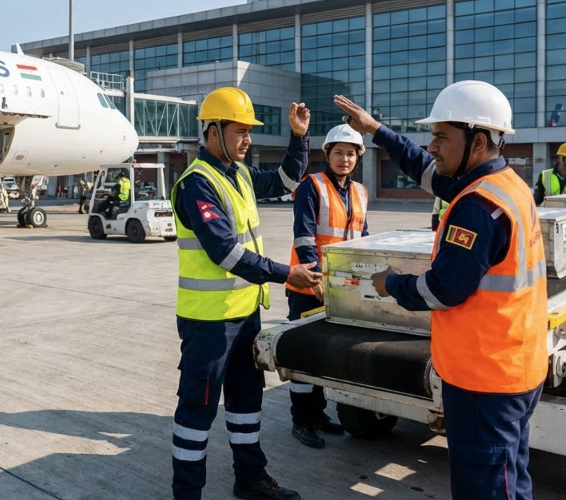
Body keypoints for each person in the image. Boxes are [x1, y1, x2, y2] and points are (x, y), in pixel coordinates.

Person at [335, 81, 547, 500]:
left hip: (484, 381)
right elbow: (423, 167)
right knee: (510, 478)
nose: (431, 146)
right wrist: (376, 129)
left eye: (441, 137)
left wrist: (391, 282)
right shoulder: (505, 184)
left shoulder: (477, 207)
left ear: (479, 140)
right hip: (515, 365)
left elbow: (443, 289)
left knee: (486, 489)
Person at [170, 86, 322, 500]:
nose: (248, 139)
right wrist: (286, 273)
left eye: (249, 131)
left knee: (246, 404)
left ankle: (250, 479)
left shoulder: (237, 175)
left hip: (244, 316)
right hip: (209, 323)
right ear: (213, 131)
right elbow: (226, 252)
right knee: (197, 413)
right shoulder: (197, 184)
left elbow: (288, 179)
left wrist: (298, 136)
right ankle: (187, 493)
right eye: (240, 131)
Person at [285, 123, 367, 449]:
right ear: (327, 155)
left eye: (350, 153)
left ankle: (317, 414)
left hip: (341, 289)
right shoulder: (312, 186)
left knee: (325, 357)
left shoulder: (360, 192)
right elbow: (304, 236)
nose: (344, 159)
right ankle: (301, 420)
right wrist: (316, 276)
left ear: (357, 158)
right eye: (338, 153)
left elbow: (363, 240)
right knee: (304, 356)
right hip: (309, 287)